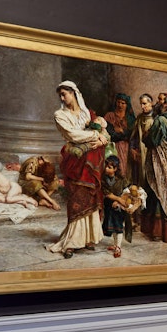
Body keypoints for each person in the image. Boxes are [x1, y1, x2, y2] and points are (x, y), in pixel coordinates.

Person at [46, 80, 109, 259]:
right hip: (74, 159)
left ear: (74, 93)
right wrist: (96, 135)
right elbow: (73, 135)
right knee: (76, 198)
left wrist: (102, 139)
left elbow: (103, 129)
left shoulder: (87, 113)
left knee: (90, 195)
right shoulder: (60, 115)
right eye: (60, 95)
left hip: (92, 160)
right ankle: (72, 241)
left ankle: (89, 238)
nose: (62, 97)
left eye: (64, 93)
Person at [140, 92, 167, 243]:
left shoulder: (161, 121)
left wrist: (145, 136)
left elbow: (152, 141)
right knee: (165, 191)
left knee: (158, 191)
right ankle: (165, 229)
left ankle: (158, 232)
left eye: (160, 100)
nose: (158, 102)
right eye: (158, 99)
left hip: (159, 161)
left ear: (166, 104)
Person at [101, 155, 135, 258]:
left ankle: (118, 247)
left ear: (115, 169)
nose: (106, 168)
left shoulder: (121, 179)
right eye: (106, 166)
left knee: (118, 226)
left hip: (119, 208)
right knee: (113, 227)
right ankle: (115, 244)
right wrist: (117, 199)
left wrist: (120, 201)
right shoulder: (103, 179)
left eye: (109, 167)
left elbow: (127, 191)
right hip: (109, 206)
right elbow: (107, 194)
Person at [104, 93, 136, 178]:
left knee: (125, 170)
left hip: (126, 147)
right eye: (118, 102)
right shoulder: (109, 116)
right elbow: (107, 132)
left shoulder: (130, 119)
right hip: (112, 146)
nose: (120, 105)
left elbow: (132, 134)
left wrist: (121, 131)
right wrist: (117, 132)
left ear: (127, 105)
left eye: (123, 103)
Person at [128, 93, 155, 190]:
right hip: (139, 153)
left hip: (151, 155)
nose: (142, 106)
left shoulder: (156, 118)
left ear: (151, 103)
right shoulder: (139, 118)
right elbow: (134, 136)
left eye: (144, 104)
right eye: (141, 104)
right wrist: (132, 149)